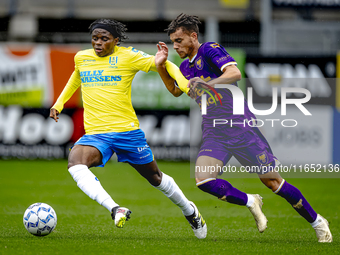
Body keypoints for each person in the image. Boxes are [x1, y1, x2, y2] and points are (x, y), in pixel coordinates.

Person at [154, 13, 332, 242]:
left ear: (193, 36)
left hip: (239, 125)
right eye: (173, 41)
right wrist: (161, 66)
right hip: (213, 130)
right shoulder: (185, 67)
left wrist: (208, 84)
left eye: (179, 40)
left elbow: (234, 73)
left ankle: (318, 222)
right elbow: (176, 91)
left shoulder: (209, 49)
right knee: (204, 180)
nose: (175, 45)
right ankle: (250, 200)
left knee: (273, 182)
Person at [49, 18, 207, 239]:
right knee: (76, 163)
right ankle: (115, 208)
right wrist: (59, 103)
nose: (98, 43)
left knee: (155, 178)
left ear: (116, 41)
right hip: (96, 134)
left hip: (127, 133)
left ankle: (189, 211)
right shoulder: (82, 57)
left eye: (104, 39)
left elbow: (165, 63)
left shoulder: (128, 56)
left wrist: (182, 82)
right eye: (95, 38)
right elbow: (76, 76)